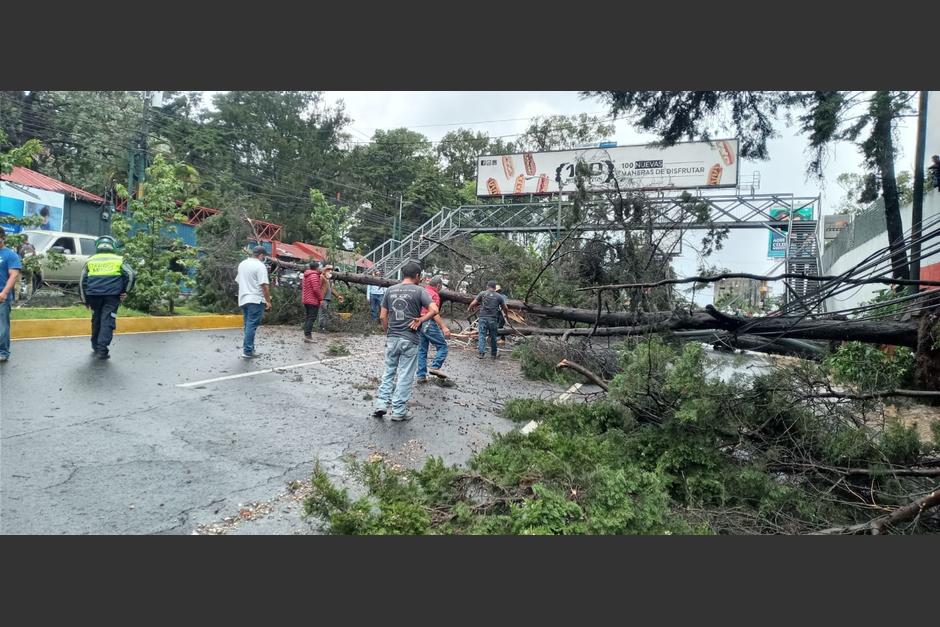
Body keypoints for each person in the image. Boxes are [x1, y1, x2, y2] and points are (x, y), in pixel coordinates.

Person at [373, 261, 438, 421]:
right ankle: (398, 411)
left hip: (392, 338)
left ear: (403, 274)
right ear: (417, 276)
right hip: (410, 338)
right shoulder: (419, 291)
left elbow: (382, 316)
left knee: (389, 372)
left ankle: (381, 404)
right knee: (405, 375)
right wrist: (421, 320)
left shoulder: (390, 290)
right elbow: (434, 309)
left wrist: (388, 331)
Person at [79, 236, 135, 360]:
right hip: (112, 296)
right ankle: (102, 350)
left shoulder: (90, 260)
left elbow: (82, 281)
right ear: (113, 246)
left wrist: (85, 300)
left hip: (93, 296)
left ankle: (95, 345)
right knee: (107, 320)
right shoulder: (119, 259)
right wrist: (125, 291)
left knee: (96, 319)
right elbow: (130, 275)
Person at [235, 245, 272, 359]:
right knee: (251, 325)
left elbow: (238, 281)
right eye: (264, 256)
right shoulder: (260, 266)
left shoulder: (242, 264)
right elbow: (264, 286)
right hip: (255, 300)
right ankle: (248, 351)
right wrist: (268, 301)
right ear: (261, 255)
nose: (264, 258)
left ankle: (248, 349)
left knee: (248, 324)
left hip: (243, 298)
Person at [415, 275, 451, 383]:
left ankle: (421, 376)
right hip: (428, 323)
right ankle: (435, 367)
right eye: (440, 287)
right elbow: (434, 313)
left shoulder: (422, 291)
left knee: (422, 350)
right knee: (443, 346)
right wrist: (444, 327)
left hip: (419, 322)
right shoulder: (434, 295)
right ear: (438, 285)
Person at [468, 280, 510, 360]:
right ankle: (493, 355)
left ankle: (481, 353)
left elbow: (473, 303)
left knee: (482, 335)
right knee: (493, 337)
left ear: (487, 286)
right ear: (495, 288)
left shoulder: (482, 293)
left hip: (483, 318)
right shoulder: (499, 296)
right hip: (493, 319)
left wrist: (469, 308)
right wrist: (506, 315)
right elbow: (505, 308)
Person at [0, 227, 23, 363]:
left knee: (2, 326)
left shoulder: (10, 255)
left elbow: (13, 275)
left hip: (2, 296)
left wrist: (4, 292)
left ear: (3, 238)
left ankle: (3, 351)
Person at [317, 264, 344, 331]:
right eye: (328, 270)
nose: (330, 271)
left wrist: (338, 296)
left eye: (331, 270)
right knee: (322, 314)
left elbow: (331, 289)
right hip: (323, 299)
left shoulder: (329, 280)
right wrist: (320, 299)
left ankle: (323, 328)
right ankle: (321, 328)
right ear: (325, 270)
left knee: (324, 314)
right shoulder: (322, 277)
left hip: (327, 299)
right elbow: (318, 288)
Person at [301, 260, 323, 343]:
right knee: (311, 318)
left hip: (306, 299)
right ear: (316, 268)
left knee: (308, 317)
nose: (320, 269)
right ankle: (308, 336)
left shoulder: (307, 275)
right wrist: (320, 299)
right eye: (319, 267)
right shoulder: (314, 276)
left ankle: (307, 335)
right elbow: (316, 289)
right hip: (312, 300)